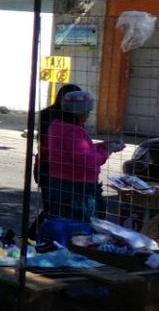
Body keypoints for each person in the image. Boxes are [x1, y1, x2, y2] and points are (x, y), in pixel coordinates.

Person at [44, 91, 123, 221]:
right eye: (86, 112)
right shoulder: (73, 131)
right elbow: (88, 160)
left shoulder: (57, 126)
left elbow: (79, 151)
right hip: (77, 187)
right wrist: (107, 151)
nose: (87, 116)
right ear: (77, 113)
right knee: (81, 227)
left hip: (60, 182)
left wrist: (102, 146)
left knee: (61, 222)